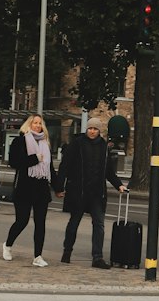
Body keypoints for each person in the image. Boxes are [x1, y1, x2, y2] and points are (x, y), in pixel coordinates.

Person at [54, 115, 127, 268]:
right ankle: (67, 251)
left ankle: (97, 257)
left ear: (99, 131)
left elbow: (108, 171)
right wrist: (59, 187)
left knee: (99, 224)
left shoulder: (104, 147)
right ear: (86, 129)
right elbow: (65, 166)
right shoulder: (77, 144)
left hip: (97, 193)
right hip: (78, 192)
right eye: (90, 128)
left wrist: (118, 185)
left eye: (95, 129)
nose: (92, 131)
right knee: (74, 223)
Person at [2, 114, 53, 267]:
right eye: (35, 123)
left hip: (41, 188)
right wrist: (34, 158)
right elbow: (14, 162)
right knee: (22, 221)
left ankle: (38, 256)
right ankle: (7, 245)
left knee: (40, 223)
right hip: (24, 188)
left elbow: (49, 168)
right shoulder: (20, 141)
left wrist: (58, 187)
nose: (37, 126)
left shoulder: (45, 143)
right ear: (29, 125)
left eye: (40, 123)